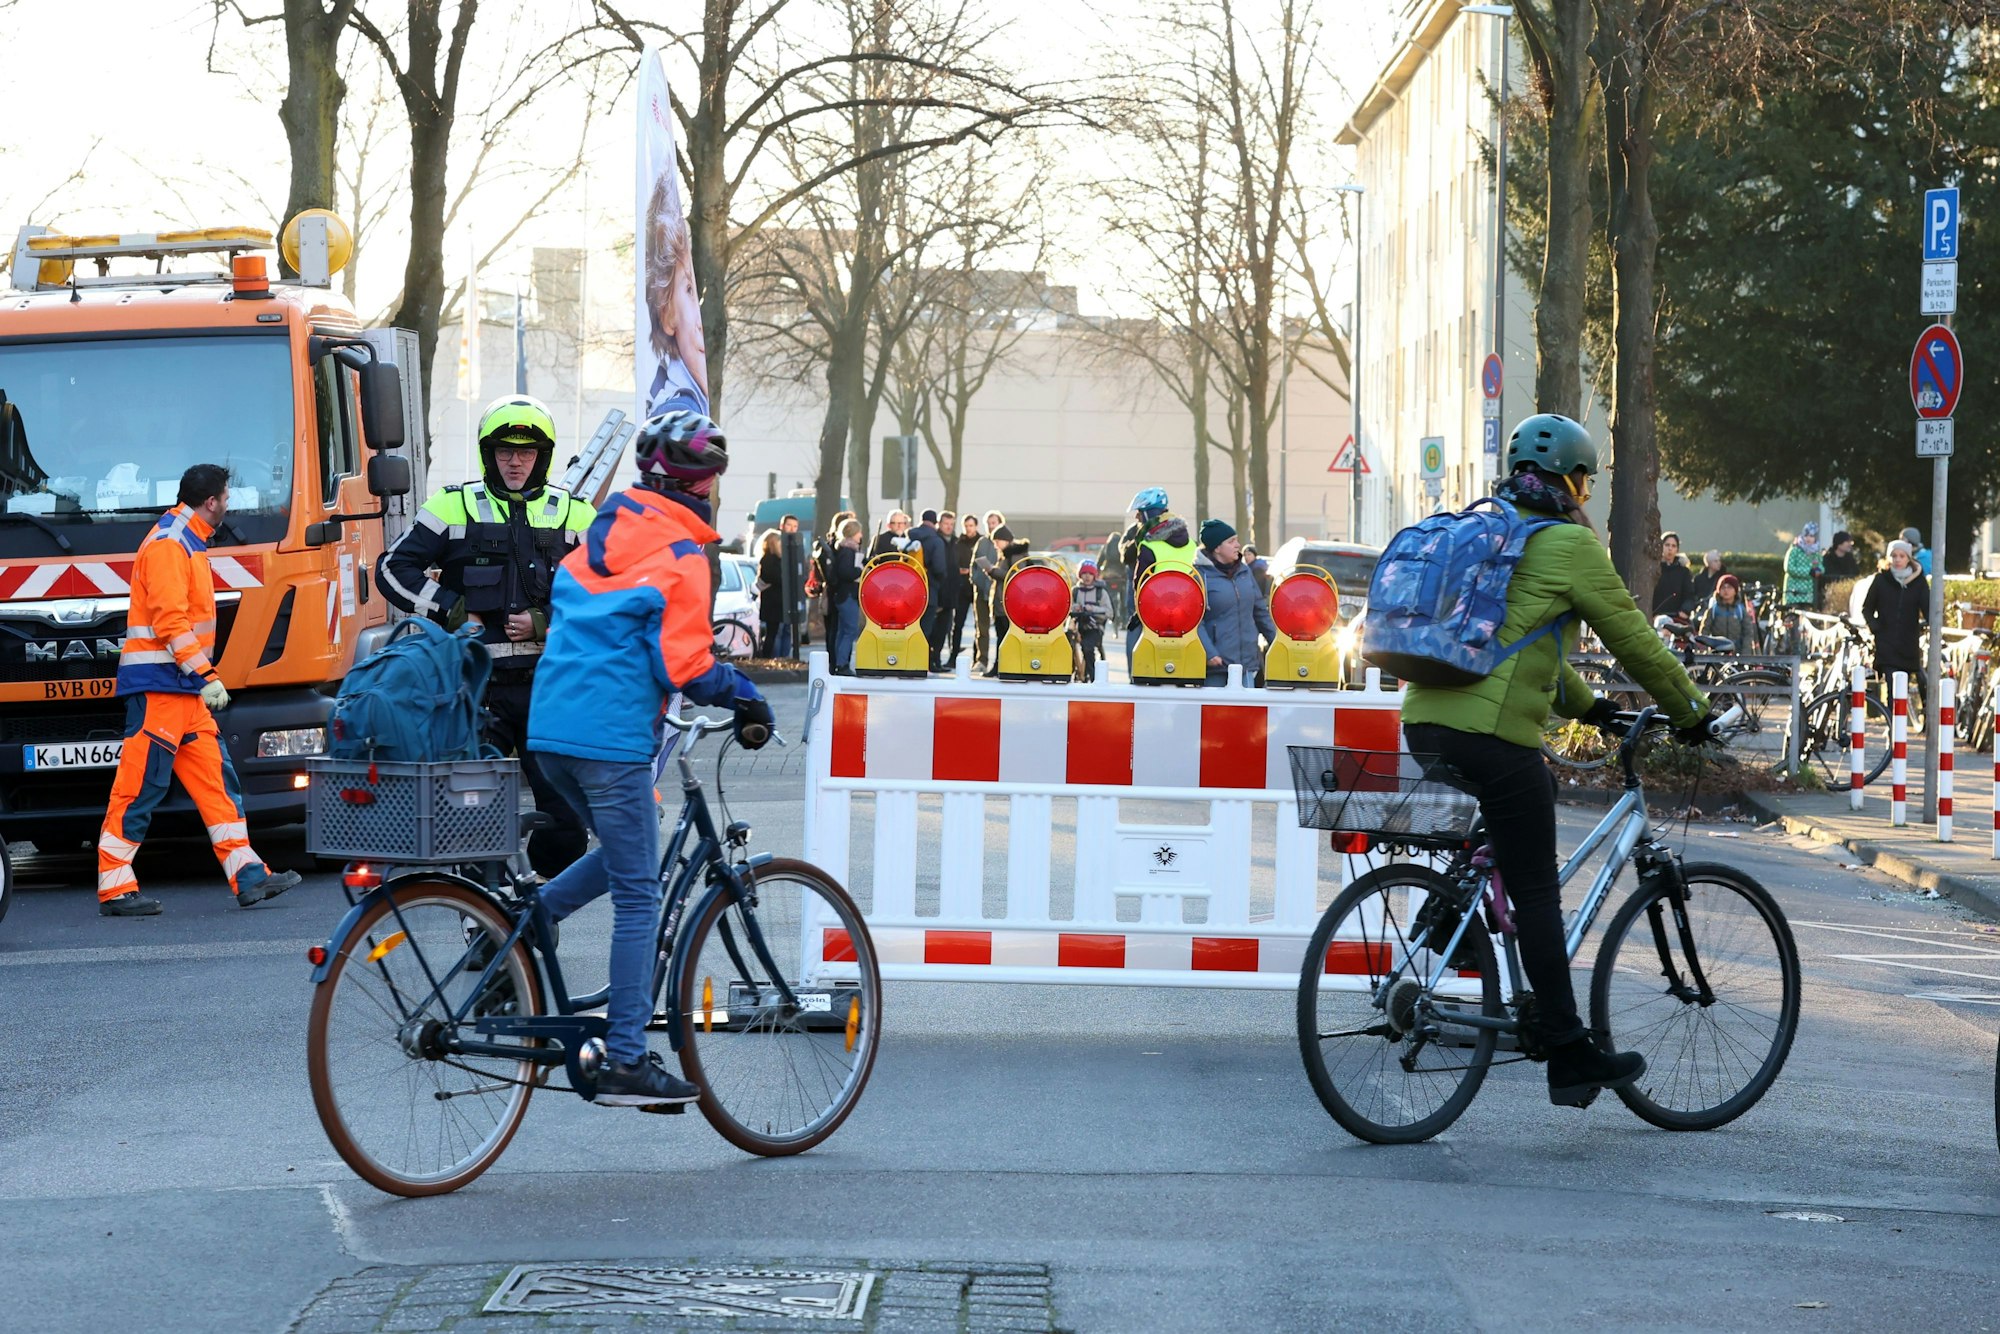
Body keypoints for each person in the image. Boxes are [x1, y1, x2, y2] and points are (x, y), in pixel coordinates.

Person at [1401, 413, 1714, 1107]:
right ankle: (1569, 1050)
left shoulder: (1490, 531)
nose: (1585, 494)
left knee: (1525, 796)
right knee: (1539, 890)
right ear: (1572, 480)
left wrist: (1590, 707)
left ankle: (1455, 918)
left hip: (1425, 723)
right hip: (1489, 734)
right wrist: (1692, 710)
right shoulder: (1568, 543)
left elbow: (1519, 647)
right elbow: (1634, 640)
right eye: (1586, 482)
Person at [527, 410, 775, 1110]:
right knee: (640, 894)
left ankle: (529, 922)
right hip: (610, 740)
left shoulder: (600, 538)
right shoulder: (683, 555)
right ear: (704, 486)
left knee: (624, 853)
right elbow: (685, 665)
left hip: (551, 731)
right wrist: (746, 696)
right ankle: (628, 1059)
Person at [378, 394, 594, 878]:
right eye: (504, 451)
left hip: (549, 690)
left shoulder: (576, 515)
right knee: (473, 819)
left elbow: (610, 591)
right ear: (488, 453)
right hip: (476, 691)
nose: (515, 461)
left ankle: (537, 897)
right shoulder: (453, 505)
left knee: (567, 825)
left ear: (543, 456)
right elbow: (392, 567)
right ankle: (485, 911)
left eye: (526, 452)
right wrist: (451, 609)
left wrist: (545, 621)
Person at [97, 465, 305, 916]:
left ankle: (248, 874)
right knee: (139, 787)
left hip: (181, 691)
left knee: (217, 784)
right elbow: (171, 622)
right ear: (211, 502)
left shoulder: (187, 541)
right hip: (161, 690)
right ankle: (115, 887)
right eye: (227, 497)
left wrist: (198, 680)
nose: (229, 504)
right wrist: (206, 676)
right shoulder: (170, 545)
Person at [642, 173, 709, 418]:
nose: (700, 323)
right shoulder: (677, 417)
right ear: (667, 313)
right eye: (689, 289)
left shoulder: (683, 403)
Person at [1117, 487, 1196, 661]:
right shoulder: (1191, 544)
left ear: (1149, 513)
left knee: (1138, 649)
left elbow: (1139, 581)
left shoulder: (1148, 543)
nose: (1136, 517)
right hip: (1187, 610)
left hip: (1152, 609)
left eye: (1139, 512)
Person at [1195, 520, 1276, 686]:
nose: (1238, 545)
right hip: (1216, 667)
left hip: (1247, 665)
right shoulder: (1199, 576)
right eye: (1231, 541)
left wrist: (1277, 642)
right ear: (1217, 548)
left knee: (1248, 703)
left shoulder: (1245, 571)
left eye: (1237, 540)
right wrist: (1209, 653)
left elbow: (1260, 611)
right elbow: (1195, 621)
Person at [1863, 539, 1930, 712]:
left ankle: (1898, 721)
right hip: (1886, 642)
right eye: (1894, 556)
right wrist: (1875, 627)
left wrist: (1933, 624)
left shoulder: (1918, 582)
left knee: (1903, 688)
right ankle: (1892, 721)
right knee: (1892, 686)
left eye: (1901, 556)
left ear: (1909, 558)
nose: (1897, 559)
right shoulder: (1881, 580)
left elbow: (1928, 609)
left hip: (1908, 643)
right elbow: (1867, 608)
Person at [826, 518, 865, 674]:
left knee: (843, 631)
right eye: (859, 532)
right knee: (849, 630)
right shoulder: (848, 551)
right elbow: (845, 572)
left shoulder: (843, 549)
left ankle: (839, 663)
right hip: (847, 595)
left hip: (842, 595)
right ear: (854, 532)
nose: (861, 535)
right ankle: (842, 664)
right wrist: (860, 570)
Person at [1070, 559, 1113, 682]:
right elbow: (1067, 607)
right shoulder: (1075, 591)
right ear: (1080, 575)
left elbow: (1109, 612)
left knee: (1088, 647)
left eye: (1090, 573)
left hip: (1094, 628)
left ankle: (1093, 678)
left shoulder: (1101, 592)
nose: (1087, 576)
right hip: (1077, 627)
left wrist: (1092, 609)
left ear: (1095, 575)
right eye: (1084, 573)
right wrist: (1076, 608)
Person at [949, 513, 980, 670]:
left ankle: (977, 659)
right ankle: (953, 656)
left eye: (971, 526)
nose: (968, 529)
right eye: (966, 526)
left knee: (978, 626)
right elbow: (953, 562)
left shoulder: (981, 542)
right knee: (958, 624)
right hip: (961, 588)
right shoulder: (958, 542)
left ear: (976, 526)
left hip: (976, 588)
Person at [1697, 573, 1757, 653]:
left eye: (1729, 587)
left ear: (1735, 591)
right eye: (1723, 587)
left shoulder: (1741, 611)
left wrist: (1745, 653)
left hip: (1737, 652)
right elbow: (1704, 632)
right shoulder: (1713, 610)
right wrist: (1704, 652)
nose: (1726, 590)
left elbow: (1748, 633)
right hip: (1717, 652)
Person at [969, 514, 999, 669]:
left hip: (998, 593)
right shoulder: (981, 542)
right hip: (981, 592)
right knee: (981, 629)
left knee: (1001, 629)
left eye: (993, 522)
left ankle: (1000, 662)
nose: (991, 525)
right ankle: (982, 660)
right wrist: (976, 580)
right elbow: (973, 566)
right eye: (988, 523)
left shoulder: (1003, 542)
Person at [1651, 531, 1694, 618]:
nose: (1670, 548)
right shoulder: (1653, 569)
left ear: (1677, 549)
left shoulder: (1684, 572)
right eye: (1667, 545)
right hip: (1655, 617)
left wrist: (1685, 610)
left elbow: (1689, 596)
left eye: (1673, 546)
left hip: (1677, 617)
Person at [756, 530, 785, 657]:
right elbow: (777, 578)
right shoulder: (770, 560)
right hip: (774, 603)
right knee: (773, 633)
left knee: (773, 632)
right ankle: (770, 656)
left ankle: (771, 655)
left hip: (772, 602)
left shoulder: (769, 559)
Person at [1781, 522, 1823, 608]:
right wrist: (1808, 572)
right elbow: (1789, 568)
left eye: (1811, 536)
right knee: (1793, 613)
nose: (1808, 538)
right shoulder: (1794, 550)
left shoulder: (1816, 553)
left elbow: (1820, 566)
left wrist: (1818, 571)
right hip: (1793, 593)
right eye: (1806, 535)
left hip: (1808, 594)